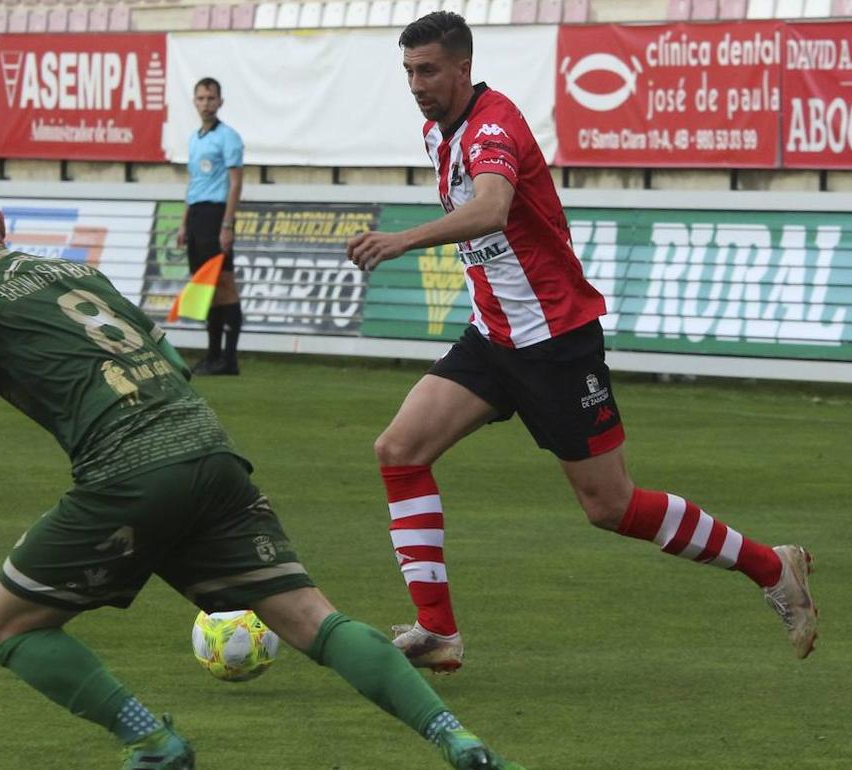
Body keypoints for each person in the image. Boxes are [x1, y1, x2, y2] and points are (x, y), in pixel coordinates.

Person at [0, 165, 527, 770]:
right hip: (210, 451)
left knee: (5, 627)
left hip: (128, 471)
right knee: (315, 620)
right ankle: (456, 739)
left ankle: (150, 738)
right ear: (1, 220)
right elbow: (175, 360)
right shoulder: (75, 270)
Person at [347, 11, 818, 673]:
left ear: (462, 67)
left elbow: (490, 209)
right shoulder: (438, 130)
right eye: (408, 72)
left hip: (555, 342)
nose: (416, 84)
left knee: (610, 505)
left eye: (427, 70)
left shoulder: (492, 127)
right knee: (398, 450)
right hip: (494, 338)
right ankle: (438, 630)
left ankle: (774, 567)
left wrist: (400, 238)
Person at [176, 77, 244, 376]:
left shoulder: (228, 137)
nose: (206, 103)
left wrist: (227, 224)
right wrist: (183, 222)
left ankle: (229, 358)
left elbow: (235, 183)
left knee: (225, 285)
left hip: (217, 215)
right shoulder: (195, 139)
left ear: (220, 102)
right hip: (197, 218)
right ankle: (213, 354)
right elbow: (195, 182)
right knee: (206, 288)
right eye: (201, 98)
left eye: (211, 98)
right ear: (194, 101)